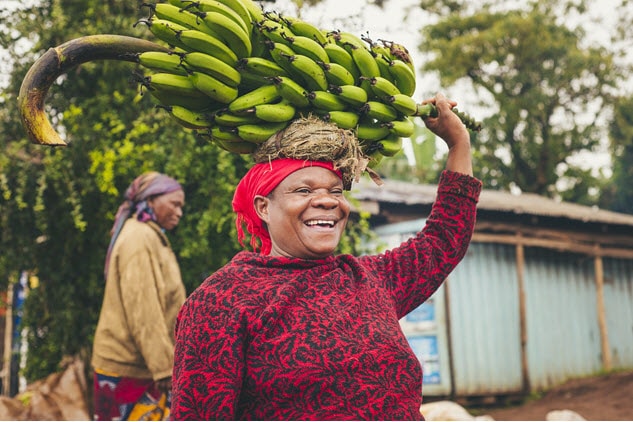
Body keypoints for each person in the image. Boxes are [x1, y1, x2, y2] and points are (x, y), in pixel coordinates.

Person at [171, 93, 482, 420]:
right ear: (264, 207)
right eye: (304, 191)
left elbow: (444, 238)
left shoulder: (368, 279)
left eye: (335, 191)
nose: (327, 201)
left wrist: (458, 142)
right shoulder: (222, 301)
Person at [91, 171, 187, 421]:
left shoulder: (151, 236)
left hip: (141, 366)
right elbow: (144, 310)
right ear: (151, 199)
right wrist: (164, 368)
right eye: (174, 204)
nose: (179, 212)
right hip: (130, 369)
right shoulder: (139, 238)